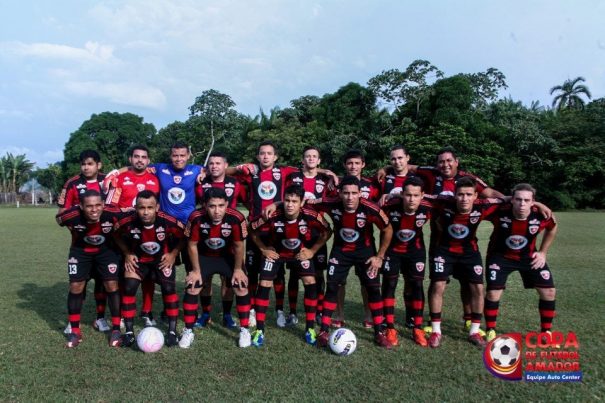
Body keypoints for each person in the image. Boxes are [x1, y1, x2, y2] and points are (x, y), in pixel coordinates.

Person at [228, 141, 336, 328]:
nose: (265, 156)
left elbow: (309, 168)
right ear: (257, 156)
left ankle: (285, 311)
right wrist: (211, 170)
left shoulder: (285, 171)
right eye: (262, 153)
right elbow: (227, 172)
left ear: (275, 157)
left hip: (286, 230)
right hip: (258, 228)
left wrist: (327, 172)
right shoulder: (251, 172)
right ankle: (253, 310)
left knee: (291, 273)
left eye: (269, 153)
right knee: (254, 273)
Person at [309, 176, 394, 349]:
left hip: (365, 253)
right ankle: (324, 331)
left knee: (372, 289)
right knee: (332, 287)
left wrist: (379, 256)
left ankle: (379, 332)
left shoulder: (371, 208)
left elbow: (387, 229)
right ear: (339, 193)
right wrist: (276, 205)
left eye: (354, 193)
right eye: (345, 193)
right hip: (340, 252)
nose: (349, 197)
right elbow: (306, 203)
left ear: (360, 194)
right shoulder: (331, 203)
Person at [249, 185, 332, 347]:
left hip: (299, 254)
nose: (290, 204)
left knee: (310, 281)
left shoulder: (310, 215)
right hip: (277, 254)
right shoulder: (272, 215)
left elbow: (327, 231)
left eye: (294, 201)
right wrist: (263, 249)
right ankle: (259, 330)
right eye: (287, 200)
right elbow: (251, 230)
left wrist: (312, 251)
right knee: (264, 283)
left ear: (301, 203)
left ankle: (310, 329)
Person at [427, 177, 504, 348]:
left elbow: (509, 201)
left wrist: (540, 205)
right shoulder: (443, 202)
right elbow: (419, 195)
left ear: (476, 196)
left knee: (477, 288)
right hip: (444, 250)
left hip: (470, 252)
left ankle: (474, 331)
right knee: (438, 285)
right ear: (454, 195)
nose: (464, 198)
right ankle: (436, 331)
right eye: (460, 194)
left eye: (469, 194)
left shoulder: (482, 205)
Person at [484, 184, 558, 342]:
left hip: (529, 257)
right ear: (512, 200)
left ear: (533, 202)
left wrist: (543, 252)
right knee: (493, 293)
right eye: (518, 199)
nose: (522, 203)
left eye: (526, 200)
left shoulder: (540, 215)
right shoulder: (500, 211)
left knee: (549, 292)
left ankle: (546, 332)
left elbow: (552, 227)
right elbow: (478, 205)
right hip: (500, 257)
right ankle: (490, 329)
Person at [113, 191, 184, 347]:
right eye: (141, 207)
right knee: (130, 287)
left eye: (150, 207)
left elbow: (184, 236)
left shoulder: (168, 221)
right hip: (139, 261)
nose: (145, 212)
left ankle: (172, 331)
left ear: (157, 207)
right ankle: (129, 332)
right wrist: (127, 253)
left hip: (161, 261)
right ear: (135, 207)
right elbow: (116, 234)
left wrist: (173, 254)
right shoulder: (127, 222)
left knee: (168, 287)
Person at [183, 188, 251, 348]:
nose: (217, 211)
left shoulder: (236, 218)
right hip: (204, 256)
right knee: (193, 286)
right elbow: (191, 244)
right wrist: (196, 271)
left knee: (240, 286)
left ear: (227, 204)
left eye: (221, 205)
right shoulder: (196, 217)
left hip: (227, 256)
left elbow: (239, 245)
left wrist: (238, 269)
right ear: (205, 205)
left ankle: (244, 330)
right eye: (212, 206)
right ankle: (188, 330)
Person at [56, 190, 123, 348]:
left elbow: (131, 216)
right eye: (89, 206)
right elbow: (59, 219)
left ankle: (115, 329)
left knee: (112, 285)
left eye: (98, 205)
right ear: (81, 206)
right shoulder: (71, 215)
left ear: (103, 204)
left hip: (106, 252)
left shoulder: (112, 212)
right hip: (80, 252)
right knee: (76, 286)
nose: (94, 209)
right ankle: (74, 331)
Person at [107, 145, 160, 328]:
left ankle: (147, 312)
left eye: (143, 157)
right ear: (130, 159)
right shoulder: (119, 179)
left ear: (148, 160)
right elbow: (109, 207)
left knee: (149, 276)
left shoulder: (155, 180)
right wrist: (125, 212)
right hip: (125, 234)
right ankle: (123, 312)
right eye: (136, 156)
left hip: (148, 234)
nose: (140, 160)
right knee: (125, 275)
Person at [58, 150, 110, 334]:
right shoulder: (72, 183)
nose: (86, 167)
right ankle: (74, 323)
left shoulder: (108, 181)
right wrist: (77, 228)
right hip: (81, 244)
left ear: (99, 165)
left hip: (106, 244)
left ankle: (100, 318)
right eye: (83, 164)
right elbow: (62, 213)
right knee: (78, 284)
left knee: (103, 282)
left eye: (90, 163)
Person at [193, 151, 246, 329]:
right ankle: (205, 313)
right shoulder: (200, 182)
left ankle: (227, 314)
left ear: (225, 165)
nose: (214, 166)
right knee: (205, 280)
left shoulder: (235, 183)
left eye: (218, 163)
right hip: (206, 236)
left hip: (229, 238)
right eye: (211, 163)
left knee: (228, 281)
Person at [284, 146, 332, 326]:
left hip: (316, 233)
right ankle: (293, 312)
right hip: (294, 233)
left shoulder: (325, 180)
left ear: (319, 161)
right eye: (307, 156)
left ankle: (318, 310)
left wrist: (329, 173)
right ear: (302, 160)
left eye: (314, 157)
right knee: (295, 274)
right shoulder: (293, 177)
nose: (311, 159)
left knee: (318, 274)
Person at [381, 176, 431, 347]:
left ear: (422, 195)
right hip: (392, 251)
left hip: (415, 252)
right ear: (402, 194)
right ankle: (390, 327)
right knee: (390, 285)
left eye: (416, 195)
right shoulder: (390, 206)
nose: (412, 199)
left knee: (417, 286)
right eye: (408, 195)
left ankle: (417, 327)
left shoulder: (428, 208)